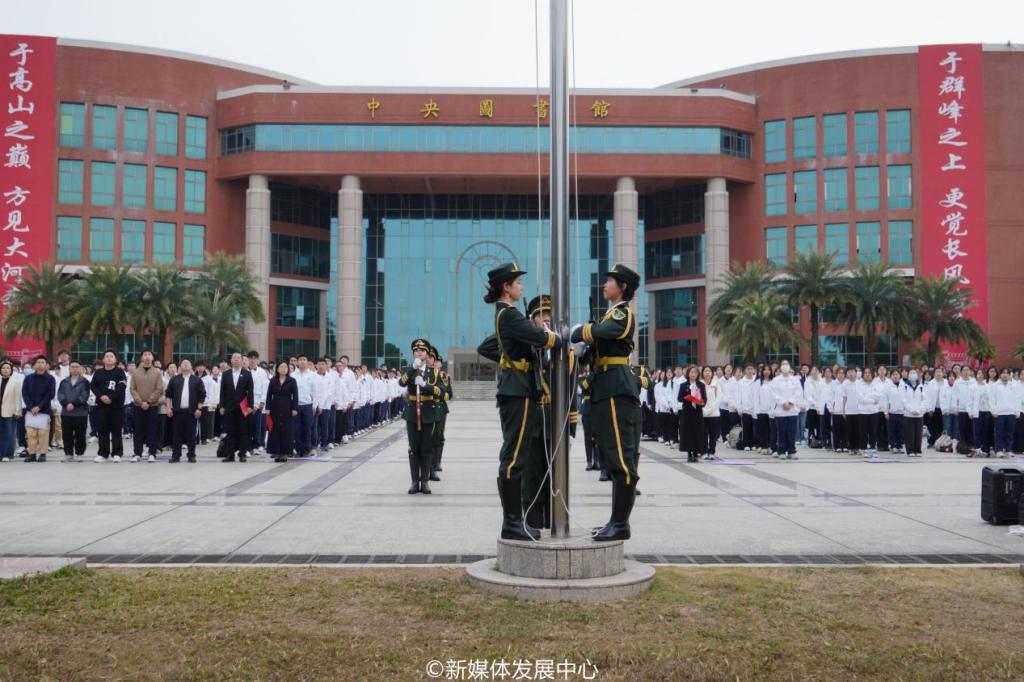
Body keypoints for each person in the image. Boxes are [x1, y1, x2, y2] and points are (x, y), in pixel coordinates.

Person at [478, 263, 560, 540]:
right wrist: (555, 336)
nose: (521, 287)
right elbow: (541, 338)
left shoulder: (507, 313)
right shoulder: (510, 314)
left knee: (516, 454)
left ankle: (513, 521)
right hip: (518, 390)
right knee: (514, 456)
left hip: (518, 388)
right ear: (506, 286)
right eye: (517, 283)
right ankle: (512, 523)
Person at [569, 263, 641, 542]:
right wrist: (583, 351)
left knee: (621, 456)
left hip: (615, 387)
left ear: (622, 287)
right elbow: (594, 345)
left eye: (610, 281)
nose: (605, 285)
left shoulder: (622, 314)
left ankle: (620, 524)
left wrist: (579, 331)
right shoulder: (609, 314)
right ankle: (615, 521)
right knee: (611, 455)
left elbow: (603, 332)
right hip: (604, 385)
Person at [399, 339, 445, 495]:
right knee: (413, 448)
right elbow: (401, 383)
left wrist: (426, 385)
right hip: (413, 412)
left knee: (426, 447)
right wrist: (413, 369)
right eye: (416, 351)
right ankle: (414, 482)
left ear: (427, 353)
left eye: (422, 351)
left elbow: (441, 391)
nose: (419, 353)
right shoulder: (409, 369)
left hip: (429, 413)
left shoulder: (434, 372)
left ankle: (424, 482)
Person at [165, 359, 206, 463]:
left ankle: (191, 455)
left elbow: (202, 395)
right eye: (184, 363)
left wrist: (199, 408)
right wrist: (168, 408)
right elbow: (168, 395)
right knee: (176, 435)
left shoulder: (197, 380)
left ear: (191, 367)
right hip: (177, 412)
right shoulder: (174, 380)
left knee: (191, 435)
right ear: (180, 367)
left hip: (191, 412)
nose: (186, 364)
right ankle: (176, 455)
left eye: (188, 363)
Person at [90, 350, 127, 462]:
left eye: (111, 356)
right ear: (103, 359)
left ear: (115, 359)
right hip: (101, 406)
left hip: (116, 406)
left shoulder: (120, 372)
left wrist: (111, 397)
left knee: (116, 431)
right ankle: (103, 453)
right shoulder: (98, 372)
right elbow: (93, 386)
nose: (109, 358)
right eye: (107, 356)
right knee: (103, 431)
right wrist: (101, 396)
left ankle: (117, 453)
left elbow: (122, 387)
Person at [130, 350, 165, 463]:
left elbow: (159, 389)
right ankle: (137, 453)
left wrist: (149, 402)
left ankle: (152, 453)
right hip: (138, 406)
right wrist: (140, 402)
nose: (147, 357)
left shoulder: (157, 372)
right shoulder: (136, 372)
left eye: (149, 355)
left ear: (152, 358)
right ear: (141, 358)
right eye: (145, 355)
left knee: (152, 430)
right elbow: (132, 389)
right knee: (138, 430)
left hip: (152, 406)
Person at [219, 352, 254, 462]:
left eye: (238, 358)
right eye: (234, 358)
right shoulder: (226, 374)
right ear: (231, 360)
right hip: (229, 407)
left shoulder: (247, 374)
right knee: (230, 432)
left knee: (243, 432)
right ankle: (230, 455)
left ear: (242, 361)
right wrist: (222, 406)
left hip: (243, 408)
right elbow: (222, 391)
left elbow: (251, 391)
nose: (236, 360)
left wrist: (250, 405)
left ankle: (242, 454)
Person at [22, 355, 56, 463]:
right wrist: (31, 407)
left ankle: (42, 454)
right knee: (31, 433)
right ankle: (32, 454)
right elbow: (25, 393)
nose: (40, 364)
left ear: (46, 365)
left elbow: (50, 394)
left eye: (43, 362)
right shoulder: (28, 378)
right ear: (34, 365)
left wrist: (39, 406)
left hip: (44, 410)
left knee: (43, 433)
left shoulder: (50, 379)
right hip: (30, 410)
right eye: (38, 362)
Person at [57, 360, 90, 462]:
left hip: (80, 413)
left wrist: (74, 404)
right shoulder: (64, 381)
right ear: (69, 369)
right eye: (72, 367)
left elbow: (84, 395)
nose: (75, 369)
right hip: (66, 413)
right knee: (67, 434)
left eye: (77, 367)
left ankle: (79, 454)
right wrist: (66, 404)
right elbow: (60, 394)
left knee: (80, 434)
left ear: (80, 369)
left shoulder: (85, 382)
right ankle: (68, 454)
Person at [266, 361, 299, 463]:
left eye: (285, 367)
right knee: (275, 430)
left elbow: (295, 396)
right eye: (281, 367)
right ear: (277, 369)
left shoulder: (292, 381)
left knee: (286, 431)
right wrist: (267, 408)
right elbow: (269, 395)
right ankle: (276, 452)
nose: (284, 369)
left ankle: (285, 453)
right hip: (275, 407)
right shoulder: (273, 380)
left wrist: (295, 408)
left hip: (287, 407)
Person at [772, 361, 803, 460]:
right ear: (780, 367)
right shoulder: (776, 380)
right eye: (783, 364)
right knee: (781, 432)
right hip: (780, 411)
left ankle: (791, 451)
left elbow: (798, 392)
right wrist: (783, 403)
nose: (785, 366)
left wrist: (790, 402)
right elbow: (774, 394)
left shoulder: (795, 380)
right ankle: (781, 451)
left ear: (789, 366)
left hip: (792, 410)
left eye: (787, 364)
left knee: (791, 432)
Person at [677, 365, 706, 462]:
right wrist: (689, 398)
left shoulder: (701, 385)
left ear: (698, 374)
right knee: (688, 433)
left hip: (697, 412)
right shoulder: (683, 385)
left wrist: (702, 402)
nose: (693, 374)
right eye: (691, 372)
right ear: (688, 374)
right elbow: (679, 398)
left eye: (695, 372)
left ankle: (696, 453)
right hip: (687, 412)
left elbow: (704, 399)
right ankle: (689, 454)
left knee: (697, 432)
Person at [991, 368, 1021, 457]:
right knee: (999, 432)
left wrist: (1017, 411)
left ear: (1009, 375)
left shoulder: (1013, 386)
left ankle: (1009, 449)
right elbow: (992, 399)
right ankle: (999, 450)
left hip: (1011, 412)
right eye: (1003, 373)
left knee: (1010, 432)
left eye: (1007, 373)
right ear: (1000, 374)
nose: (1005, 375)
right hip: (999, 413)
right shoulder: (995, 386)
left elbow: (1017, 399)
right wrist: (993, 410)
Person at [292, 355, 317, 457]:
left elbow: (315, 391)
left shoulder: (312, 375)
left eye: (304, 360)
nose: (302, 361)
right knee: (296, 429)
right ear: (297, 362)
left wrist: (315, 405)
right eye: (300, 360)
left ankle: (307, 448)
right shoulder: (293, 375)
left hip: (308, 405)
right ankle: (298, 449)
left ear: (307, 362)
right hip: (296, 406)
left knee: (307, 429)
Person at [0, 359, 23, 462]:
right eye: (3, 368)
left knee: (9, 433)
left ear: (11, 370)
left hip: (10, 411)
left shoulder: (15, 382)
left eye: (8, 368)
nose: (5, 370)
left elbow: (18, 397)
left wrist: (18, 411)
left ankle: (8, 454)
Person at [901, 368, 927, 457]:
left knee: (918, 434)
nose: (913, 375)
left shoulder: (921, 387)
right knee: (909, 433)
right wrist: (911, 410)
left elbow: (925, 400)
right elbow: (904, 400)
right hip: (908, 414)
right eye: (911, 373)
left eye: (914, 373)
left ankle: (918, 450)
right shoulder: (904, 386)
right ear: (908, 375)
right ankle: (910, 450)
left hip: (919, 414)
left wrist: (919, 410)